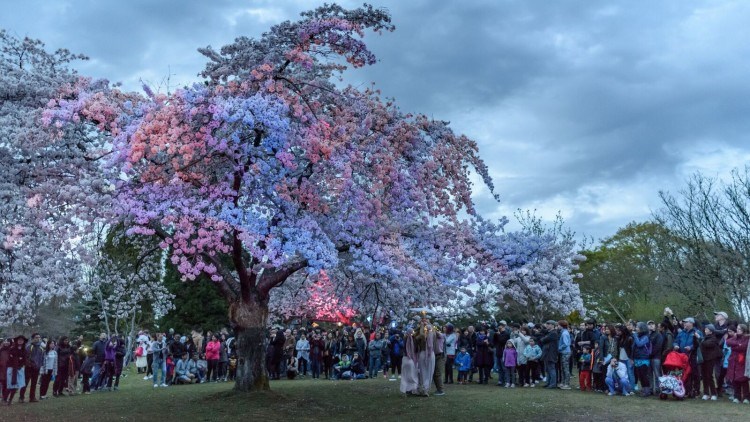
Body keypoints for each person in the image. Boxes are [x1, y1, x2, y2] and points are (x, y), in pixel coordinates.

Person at [675, 317, 703, 398]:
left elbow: (699, 343)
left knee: (695, 373)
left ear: (691, 323)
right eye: (684, 322)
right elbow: (676, 341)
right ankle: (687, 390)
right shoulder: (681, 332)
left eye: (686, 322)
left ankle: (696, 391)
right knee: (684, 373)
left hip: (693, 356)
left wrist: (690, 347)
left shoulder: (697, 332)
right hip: (682, 356)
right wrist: (675, 345)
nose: (684, 323)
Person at [726, 324, 749, 403]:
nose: (737, 330)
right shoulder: (735, 337)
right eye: (737, 329)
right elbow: (728, 342)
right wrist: (736, 344)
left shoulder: (747, 338)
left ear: (743, 330)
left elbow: (743, 347)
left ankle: (746, 397)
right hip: (733, 361)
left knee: (743, 379)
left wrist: (735, 346)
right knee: (735, 379)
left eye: (739, 329)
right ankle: (737, 397)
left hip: (742, 361)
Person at [3, 335, 28, 405]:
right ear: (17, 341)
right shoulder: (12, 349)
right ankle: (5, 399)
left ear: (23, 341)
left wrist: (19, 361)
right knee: (10, 385)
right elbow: (10, 359)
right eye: (19, 340)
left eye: (22, 340)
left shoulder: (24, 350)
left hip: (19, 369)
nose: (20, 341)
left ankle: (10, 400)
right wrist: (18, 359)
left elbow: (24, 360)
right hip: (11, 369)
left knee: (16, 385)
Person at [700, 324, 721, 400]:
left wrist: (699, 339)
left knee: (709, 376)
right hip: (704, 359)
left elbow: (707, 344)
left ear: (711, 331)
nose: (705, 330)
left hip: (710, 359)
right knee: (704, 376)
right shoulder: (705, 338)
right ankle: (706, 393)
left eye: (706, 329)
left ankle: (713, 393)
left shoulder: (713, 338)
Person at [20, 333, 43, 403]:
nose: (38, 339)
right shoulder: (29, 346)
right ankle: (21, 397)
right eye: (36, 337)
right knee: (25, 383)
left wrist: (39, 366)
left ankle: (32, 397)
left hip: (37, 368)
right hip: (29, 368)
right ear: (33, 338)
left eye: (39, 337)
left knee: (34, 383)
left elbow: (41, 358)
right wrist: (30, 364)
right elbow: (26, 357)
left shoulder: (41, 348)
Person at [631, 322, 652, 397]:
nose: (636, 328)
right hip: (637, 358)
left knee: (644, 375)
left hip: (644, 359)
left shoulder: (646, 337)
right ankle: (643, 389)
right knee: (640, 375)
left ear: (641, 328)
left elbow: (639, 344)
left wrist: (635, 336)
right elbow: (634, 347)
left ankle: (647, 391)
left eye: (637, 327)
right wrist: (632, 357)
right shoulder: (638, 336)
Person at [541, 320, 559, 388]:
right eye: (547, 324)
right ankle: (548, 383)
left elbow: (543, 340)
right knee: (548, 369)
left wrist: (544, 338)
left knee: (551, 369)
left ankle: (552, 384)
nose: (547, 325)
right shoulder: (550, 332)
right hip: (548, 352)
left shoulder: (553, 333)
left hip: (551, 353)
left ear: (552, 325)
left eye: (548, 324)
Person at [400, 328, 419, 394]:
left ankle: (404, 389)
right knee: (413, 375)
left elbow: (402, 346)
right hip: (413, 359)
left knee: (405, 376)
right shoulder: (414, 339)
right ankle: (413, 389)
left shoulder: (404, 339)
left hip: (405, 358)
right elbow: (416, 350)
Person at [557, 320, 572, 390]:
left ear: (561, 326)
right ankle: (563, 382)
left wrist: (559, 348)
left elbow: (566, 344)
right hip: (564, 352)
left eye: (558, 325)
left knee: (565, 368)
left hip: (565, 352)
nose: (557, 326)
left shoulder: (564, 333)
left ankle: (567, 384)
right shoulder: (564, 332)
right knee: (563, 368)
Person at [0, 338, 10, 404]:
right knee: (2, 384)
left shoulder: (11, 350)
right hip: (1, 370)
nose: (6, 342)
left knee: (7, 385)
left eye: (8, 341)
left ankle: (5, 398)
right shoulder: (1, 350)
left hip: (8, 370)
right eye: (5, 341)